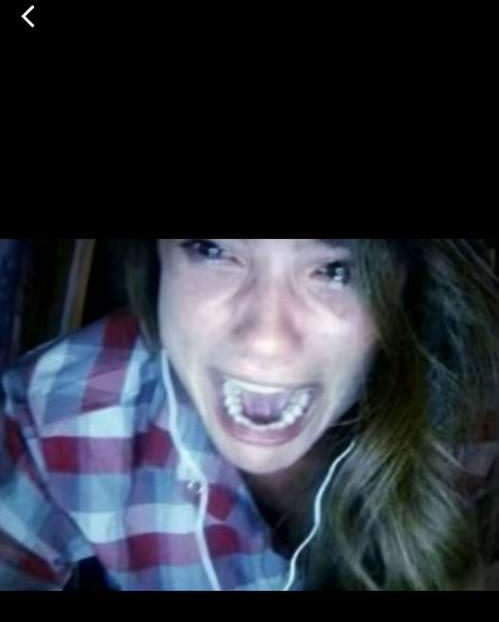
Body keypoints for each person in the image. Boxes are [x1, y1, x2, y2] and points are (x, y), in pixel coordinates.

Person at [0, 239, 498, 591]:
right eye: (213, 250)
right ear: (155, 256)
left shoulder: (473, 424)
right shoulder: (52, 414)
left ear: (407, 285)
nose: (265, 342)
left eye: (335, 270)